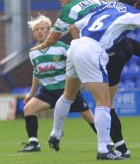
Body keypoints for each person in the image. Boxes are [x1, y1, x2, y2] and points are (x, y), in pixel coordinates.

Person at [48, 0, 140, 160]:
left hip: (76, 46)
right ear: (135, 3)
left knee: (68, 95)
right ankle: (104, 149)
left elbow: (74, 26)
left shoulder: (105, 6)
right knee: (104, 101)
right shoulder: (130, 12)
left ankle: (56, 133)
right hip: (92, 49)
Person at [19, 14, 95, 152]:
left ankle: (107, 141)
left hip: (67, 90)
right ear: (34, 34)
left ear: (49, 31)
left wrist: (84, 79)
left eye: (43, 28)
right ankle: (34, 144)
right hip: (47, 92)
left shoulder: (62, 48)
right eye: (37, 29)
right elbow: (36, 73)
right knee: (28, 109)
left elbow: (78, 60)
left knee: (88, 116)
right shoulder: (33, 53)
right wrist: (31, 94)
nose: (40, 31)